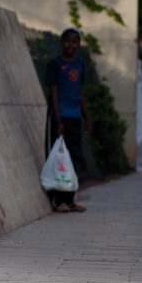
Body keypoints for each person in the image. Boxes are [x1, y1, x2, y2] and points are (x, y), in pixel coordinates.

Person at [45, 27, 92, 212]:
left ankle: (70, 199)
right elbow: (54, 94)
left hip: (75, 118)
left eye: (74, 42)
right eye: (67, 41)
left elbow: (79, 94)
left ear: (78, 44)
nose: (70, 45)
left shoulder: (79, 65)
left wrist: (86, 119)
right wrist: (58, 121)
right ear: (61, 42)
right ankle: (58, 201)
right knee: (58, 159)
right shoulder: (54, 65)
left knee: (74, 158)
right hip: (59, 117)